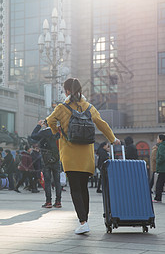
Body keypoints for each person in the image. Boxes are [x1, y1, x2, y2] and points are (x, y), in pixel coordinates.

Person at [46, 78, 120, 234]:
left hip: (70, 156)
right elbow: (102, 123)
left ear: (66, 91)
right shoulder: (89, 107)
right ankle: (84, 220)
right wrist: (113, 139)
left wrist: (56, 132)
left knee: (75, 190)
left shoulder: (62, 108)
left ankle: (83, 222)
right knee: (84, 188)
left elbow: (49, 120)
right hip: (87, 157)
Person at [31, 122, 62, 208]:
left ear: (46, 124)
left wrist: (38, 126)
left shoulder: (44, 132)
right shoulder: (59, 131)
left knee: (47, 181)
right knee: (57, 181)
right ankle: (58, 201)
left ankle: (48, 202)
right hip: (56, 158)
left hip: (46, 159)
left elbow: (33, 135)